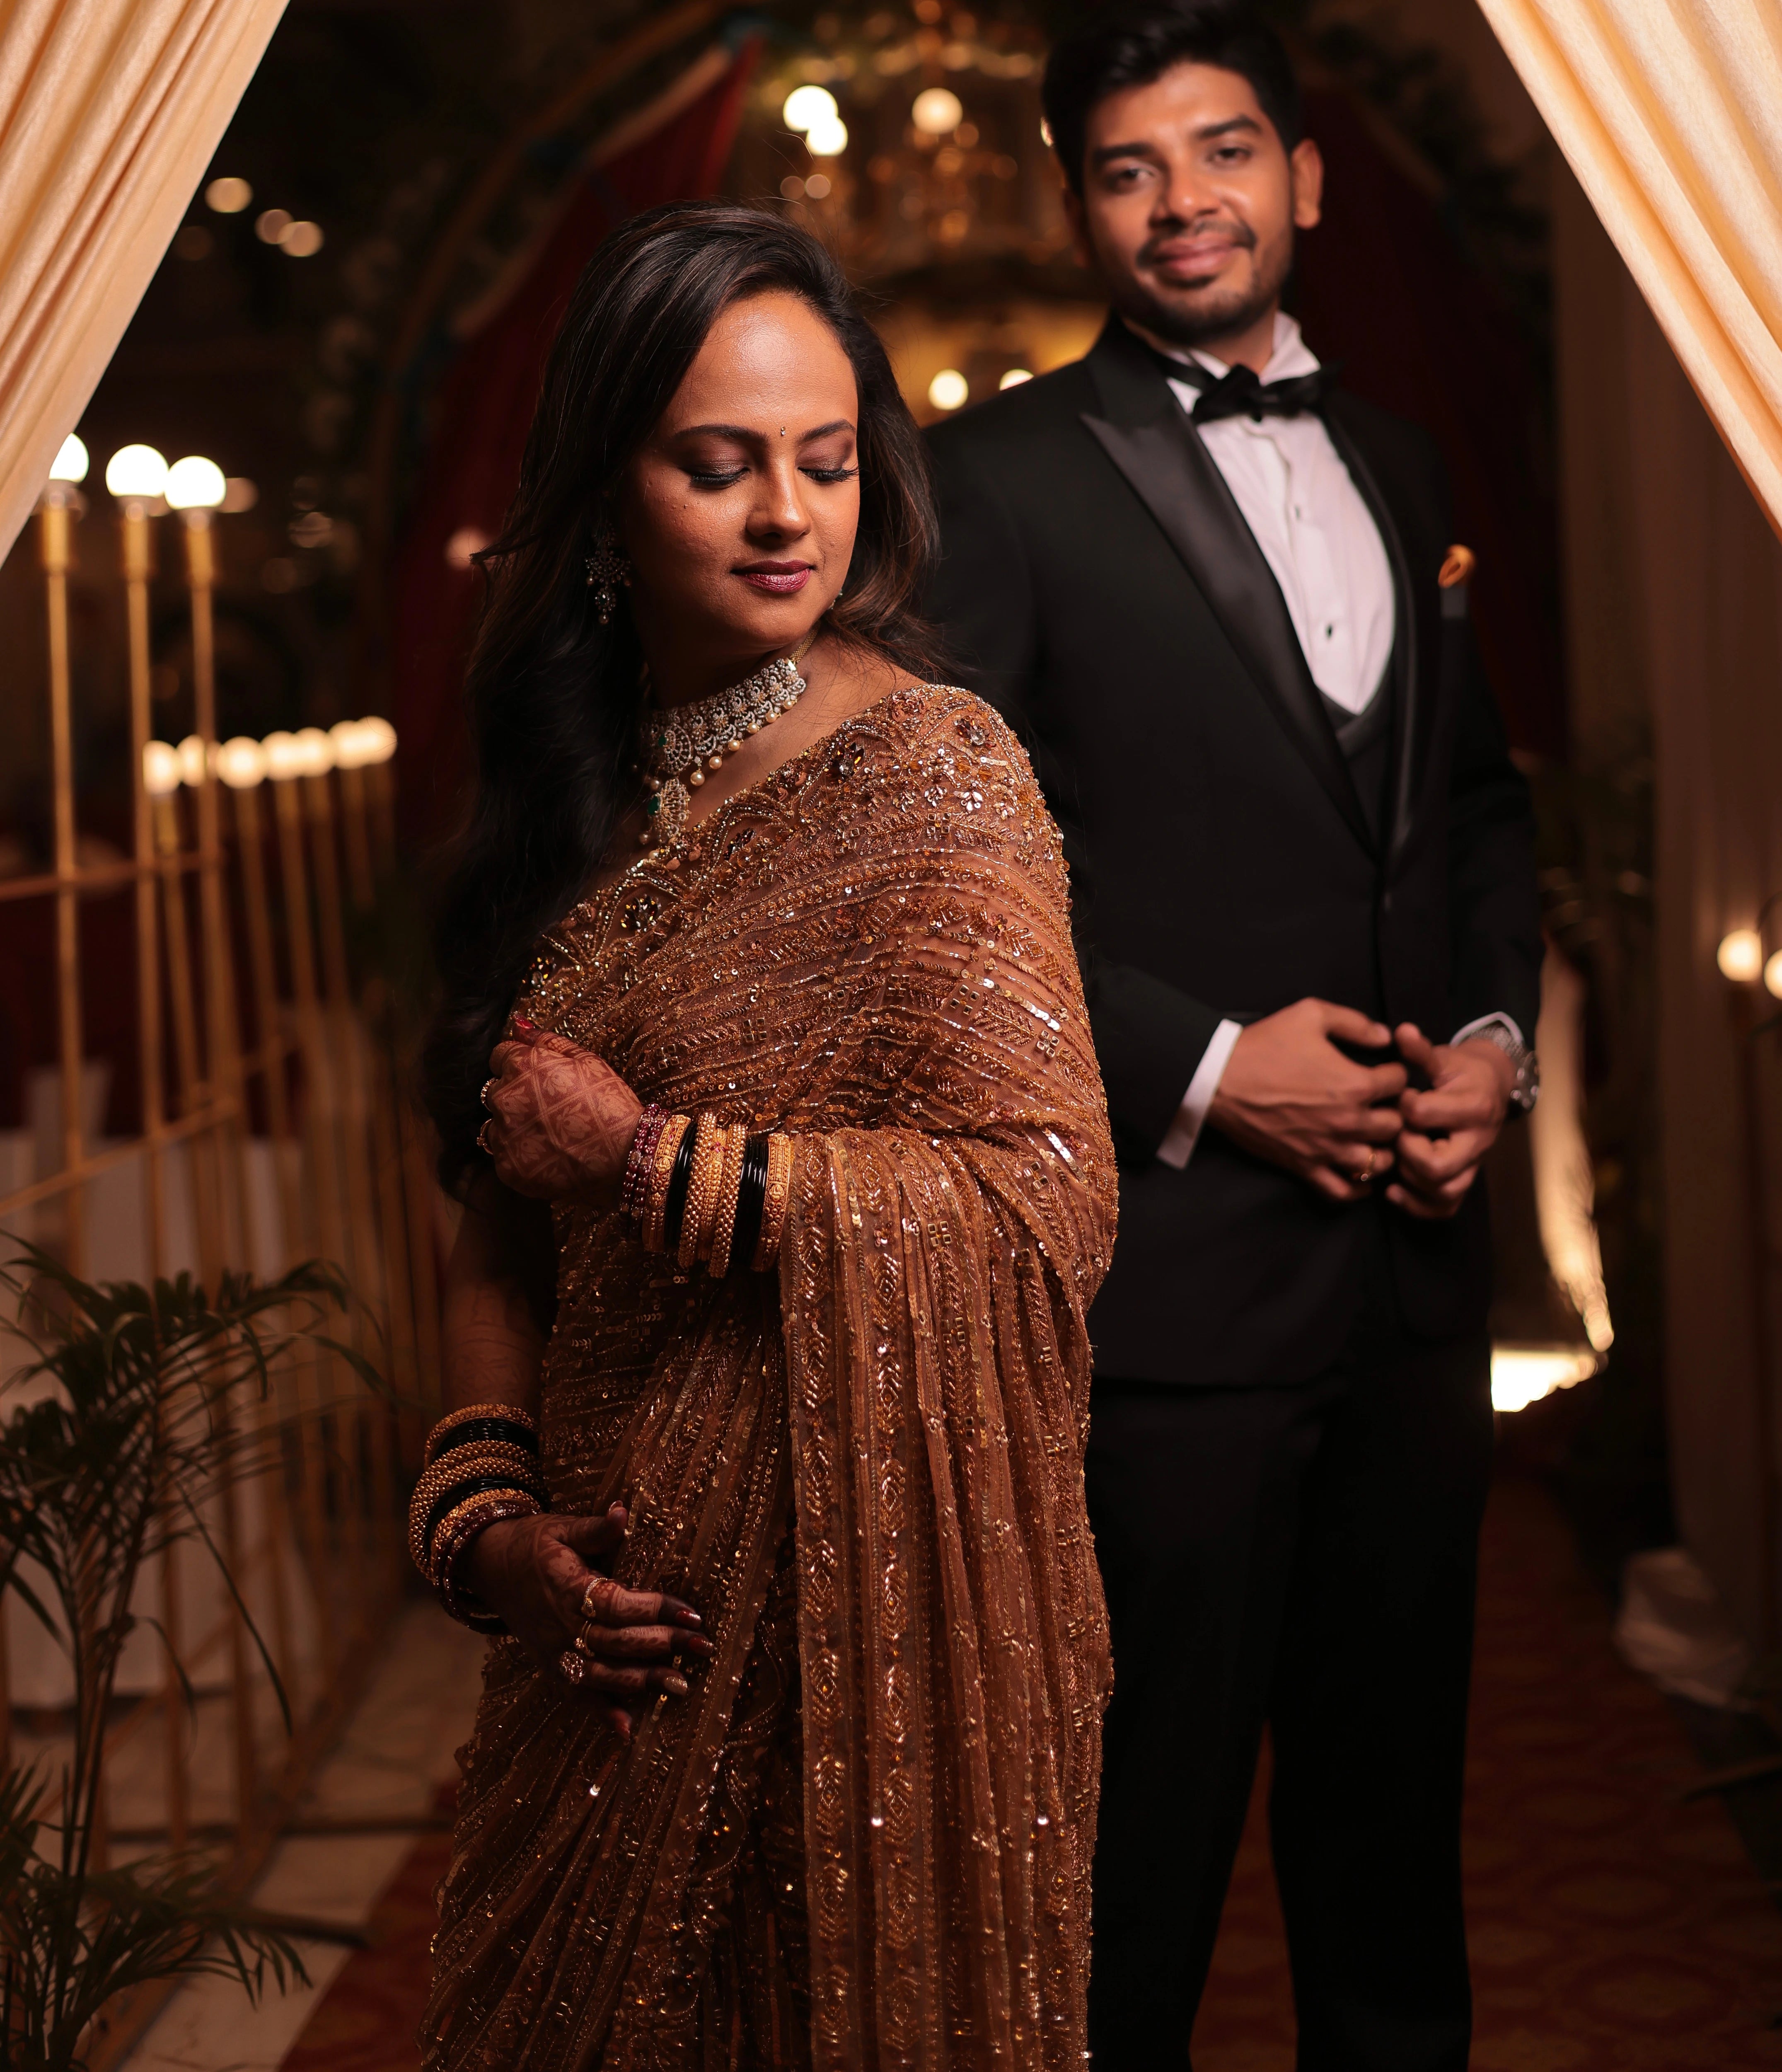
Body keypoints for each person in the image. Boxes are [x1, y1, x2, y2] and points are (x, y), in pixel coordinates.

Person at [413, 201, 1115, 2071]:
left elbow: (1045, 1196)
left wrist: (656, 1162)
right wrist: (494, 1534)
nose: (786, 514)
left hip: (865, 1646)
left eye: (824, 460)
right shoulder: (559, 783)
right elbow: (493, 1227)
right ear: (606, 488)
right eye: (716, 465)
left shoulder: (932, 774)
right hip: (608, 1648)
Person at [926, 6, 1543, 2066]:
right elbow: (942, 880)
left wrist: (1483, 1036)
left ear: (1299, 176)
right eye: (1124, 166)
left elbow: (1466, 804)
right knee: (1131, 1881)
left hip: (1409, 1280)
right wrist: (1200, 1066)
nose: (1178, 201)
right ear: (1081, 206)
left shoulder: (1401, 458)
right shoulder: (987, 480)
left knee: (1392, 1870)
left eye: (1216, 152)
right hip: (1160, 1302)